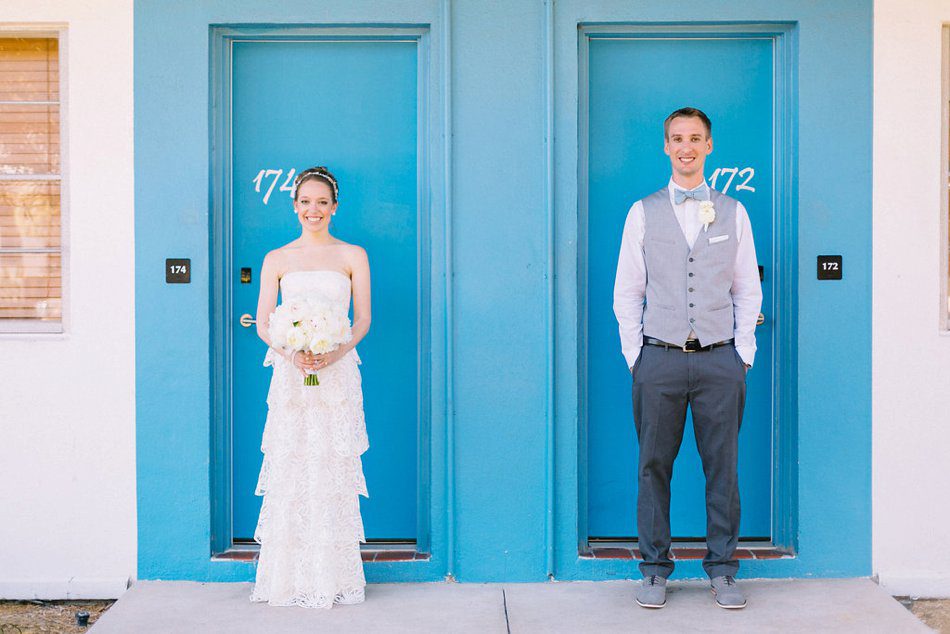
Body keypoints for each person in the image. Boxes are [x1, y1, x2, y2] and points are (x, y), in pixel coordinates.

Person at [613, 108, 762, 609]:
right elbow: (627, 291)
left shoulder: (733, 211)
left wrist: (743, 353)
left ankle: (723, 569)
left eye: (695, 138)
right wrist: (636, 355)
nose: (686, 147)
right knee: (653, 466)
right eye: (677, 139)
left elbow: (748, 289)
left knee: (723, 468)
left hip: (721, 361)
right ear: (666, 146)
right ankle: (654, 570)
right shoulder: (643, 211)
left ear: (709, 146)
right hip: (659, 360)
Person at [249, 166, 372, 608]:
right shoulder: (277, 259)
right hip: (293, 377)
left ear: (334, 207)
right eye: (305, 202)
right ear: (294, 206)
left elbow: (363, 319)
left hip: (336, 373)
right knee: (295, 464)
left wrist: (334, 353)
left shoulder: (353, 255)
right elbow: (264, 322)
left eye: (322, 202)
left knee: (330, 464)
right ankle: (289, 577)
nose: (313, 210)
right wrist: (292, 353)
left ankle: (333, 575)